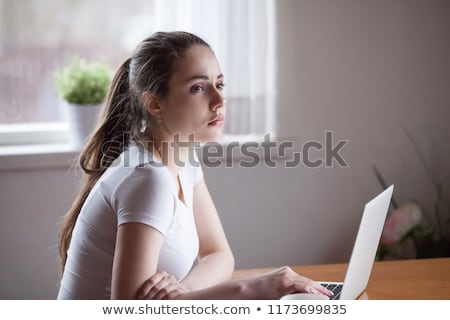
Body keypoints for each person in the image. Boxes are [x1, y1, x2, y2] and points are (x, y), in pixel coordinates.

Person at [57, 31, 333, 300]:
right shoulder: (147, 178)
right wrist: (256, 288)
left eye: (220, 84)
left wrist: (182, 293)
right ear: (154, 104)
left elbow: (219, 254)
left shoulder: (183, 161)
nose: (219, 99)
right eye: (198, 88)